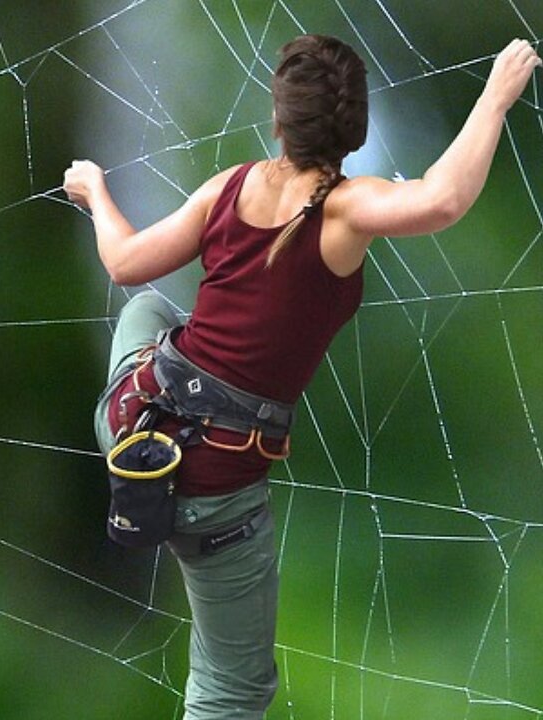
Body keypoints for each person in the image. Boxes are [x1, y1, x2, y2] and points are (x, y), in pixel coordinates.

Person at [63, 35, 539, 719]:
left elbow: (125, 262)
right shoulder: (343, 210)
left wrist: (95, 191)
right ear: (355, 127)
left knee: (146, 306)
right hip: (214, 484)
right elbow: (441, 200)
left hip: (133, 416)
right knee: (232, 692)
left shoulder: (228, 186)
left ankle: (136, 448)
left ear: (280, 120)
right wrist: (496, 95)